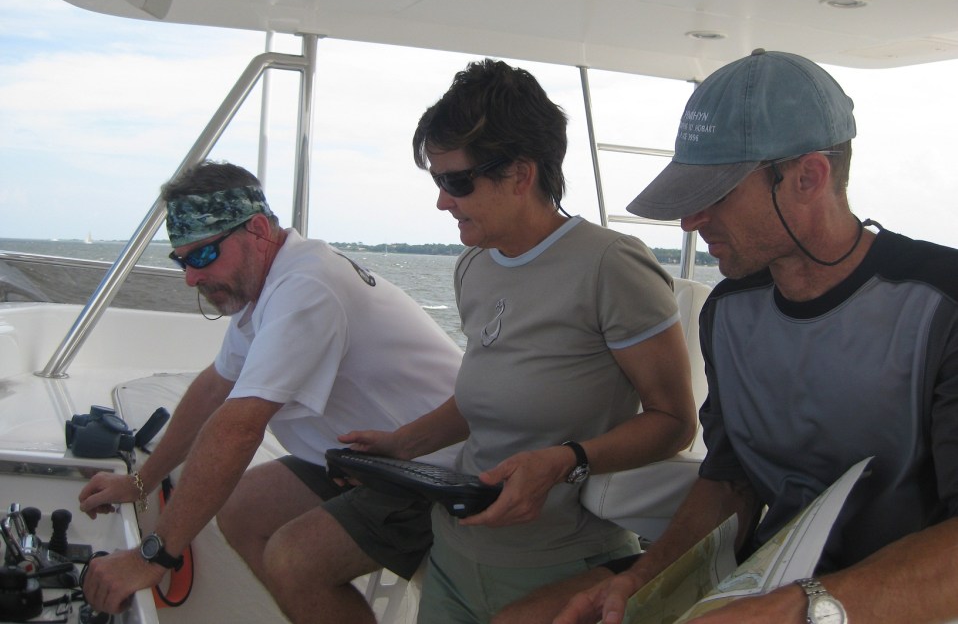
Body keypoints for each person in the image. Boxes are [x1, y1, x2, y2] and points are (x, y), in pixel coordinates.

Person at [497, 48, 958, 624]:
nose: (689, 220)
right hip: (764, 578)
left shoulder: (942, 305)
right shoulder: (731, 312)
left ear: (808, 177)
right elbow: (730, 479)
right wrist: (644, 579)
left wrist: (799, 610)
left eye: (714, 194)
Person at [340, 59, 697, 623]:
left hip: (561, 563)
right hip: (455, 554)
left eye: (457, 181)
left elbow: (675, 422)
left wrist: (565, 461)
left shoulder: (612, 265)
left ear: (520, 175)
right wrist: (402, 445)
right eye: (437, 180)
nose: (442, 201)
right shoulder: (473, 268)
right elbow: (487, 392)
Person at [78, 160, 463, 623]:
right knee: (242, 510)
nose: (190, 278)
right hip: (371, 459)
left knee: (294, 558)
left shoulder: (306, 285)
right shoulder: (269, 284)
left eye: (202, 255)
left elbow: (239, 429)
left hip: (439, 469)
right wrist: (140, 482)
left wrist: (151, 558)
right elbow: (213, 389)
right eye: (181, 260)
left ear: (257, 229)